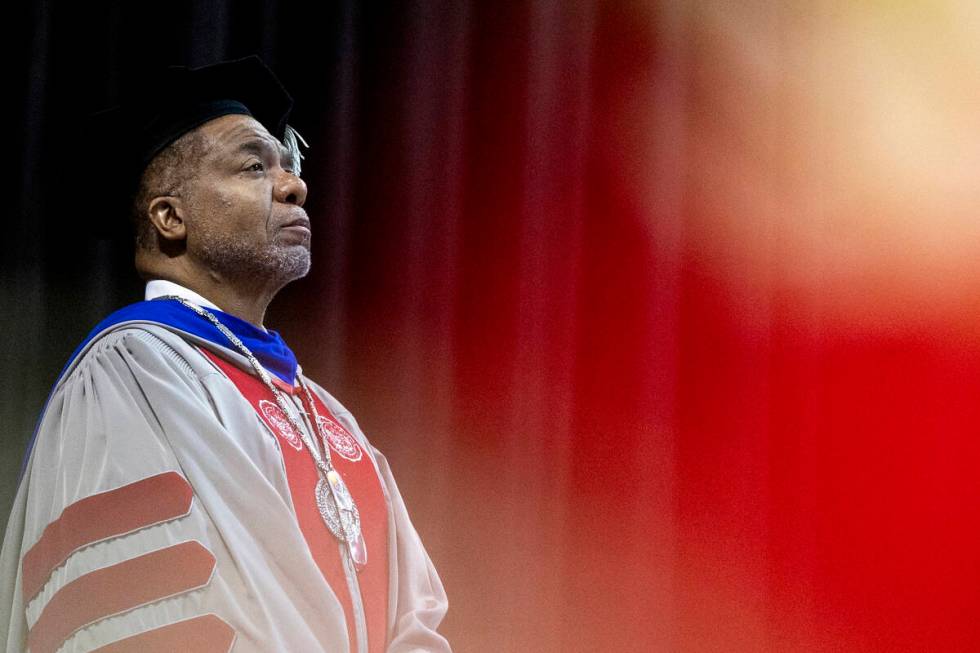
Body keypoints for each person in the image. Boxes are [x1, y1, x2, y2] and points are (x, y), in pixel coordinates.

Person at [0, 55, 450, 653]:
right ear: (170, 216)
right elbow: (141, 620)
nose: (295, 185)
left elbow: (415, 619)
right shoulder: (130, 371)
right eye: (252, 167)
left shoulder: (328, 416)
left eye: (287, 167)